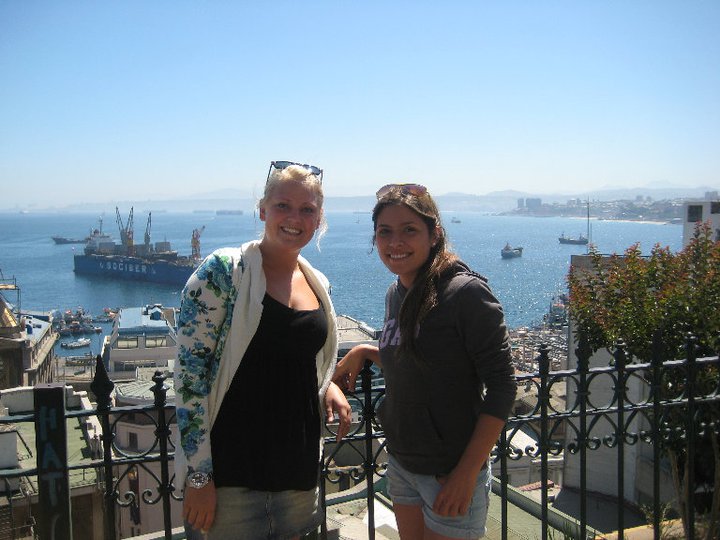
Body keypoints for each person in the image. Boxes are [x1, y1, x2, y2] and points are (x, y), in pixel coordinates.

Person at [175, 161, 352, 540]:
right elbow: (189, 380)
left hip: (299, 480)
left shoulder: (318, 283)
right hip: (230, 485)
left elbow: (300, 357)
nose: (294, 218)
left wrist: (329, 385)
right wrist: (199, 477)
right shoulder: (223, 272)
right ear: (262, 210)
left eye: (307, 209)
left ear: (319, 219)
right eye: (282, 205)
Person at [333, 183, 516, 540]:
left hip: (449, 472)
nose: (395, 242)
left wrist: (466, 473)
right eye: (385, 232)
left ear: (434, 235)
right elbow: (421, 361)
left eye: (409, 230)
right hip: (403, 464)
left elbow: (502, 386)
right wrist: (364, 351)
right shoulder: (397, 292)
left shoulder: (465, 293)